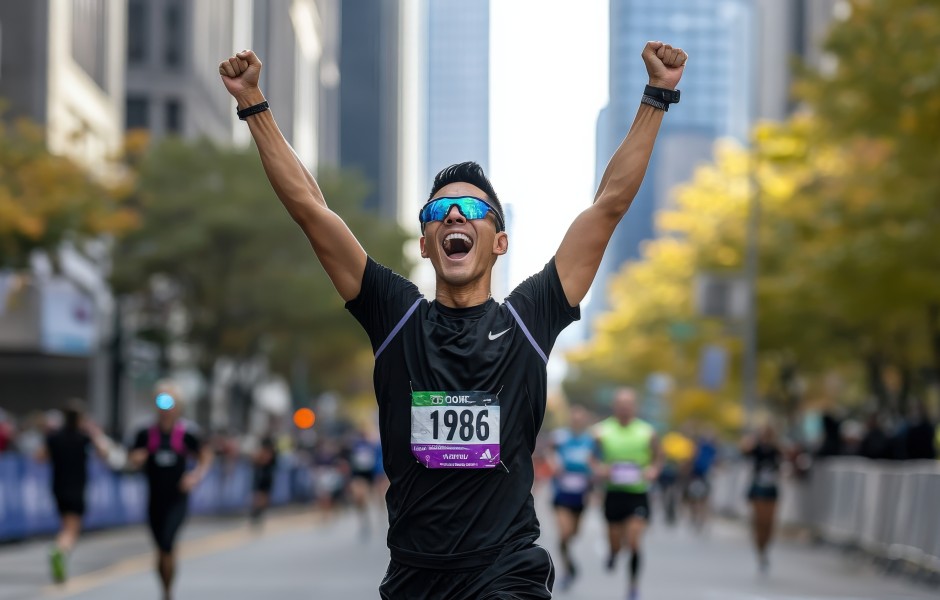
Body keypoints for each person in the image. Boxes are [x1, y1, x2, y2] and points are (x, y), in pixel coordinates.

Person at [219, 39, 687, 599]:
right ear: (425, 241)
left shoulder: (530, 318)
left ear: (500, 241)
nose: (456, 215)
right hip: (415, 575)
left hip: (506, 570)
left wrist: (657, 95)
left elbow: (608, 204)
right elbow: (312, 210)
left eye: (473, 210)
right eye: (440, 210)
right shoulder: (395, 316)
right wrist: (253, 104)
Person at [128, 381, 213, 600]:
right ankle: (164, 588)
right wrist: (137, 459)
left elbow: (205, 455)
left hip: (178, 498)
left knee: (168, 542)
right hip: (155, 499)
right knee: (160, 548)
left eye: (170, 402)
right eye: (161, 402)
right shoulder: (145, 433)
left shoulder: (187, 433)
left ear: (179, 406)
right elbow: (131, 457)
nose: (165, 408)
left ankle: (167, 593)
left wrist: (195, 476)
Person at [36, 399, 112, 583]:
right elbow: (105, 453)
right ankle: (60, 549)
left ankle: (61, 557)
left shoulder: (54, 437)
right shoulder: (83, 437)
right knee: (72, 530)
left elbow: (39, 457)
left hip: (58, 487)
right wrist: (95, 434)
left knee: (65, 524)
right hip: (77, 487)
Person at [595, 388, 661, 600]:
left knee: (633, 541)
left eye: (629, 403)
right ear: (614, 406)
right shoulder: (600, 431)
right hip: (613, 494)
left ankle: (633, 586)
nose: (624, 407)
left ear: (635, 406)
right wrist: (599, 468)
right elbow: (591, 457)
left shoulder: (647, 431)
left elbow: (659, 456)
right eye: (620, 403)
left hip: (637, 493)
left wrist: (654, 469)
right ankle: (614, 553)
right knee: (616, 541)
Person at [547, 405, 597, 590]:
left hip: (581, 494)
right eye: (574, 418)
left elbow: (596, 461)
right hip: (561, 493)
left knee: (574, 534)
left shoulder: (590, 440)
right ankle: (569, 568)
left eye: (580, 419)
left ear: (585, 421)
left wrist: (594, 482)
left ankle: (567, 559)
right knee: (565, 533)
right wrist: (554, 463)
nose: (577, 421)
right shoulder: (560, 436)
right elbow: (550, 451)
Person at [741, 423, 783, 574]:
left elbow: (785, 462)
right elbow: (744, 452)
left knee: (769, 522)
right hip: (758, 487)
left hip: (771, 488)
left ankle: (765, 548)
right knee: (759, 520)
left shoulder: (777, 449)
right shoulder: (756, 448)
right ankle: (759, 550)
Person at [344, 427, 383, 539]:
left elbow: (379, 459)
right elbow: (351, 462)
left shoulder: (375, 446)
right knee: (359, 497)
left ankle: (382, 515)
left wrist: (379, 474)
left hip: (373, 474)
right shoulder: (355, 446)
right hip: (359, 475)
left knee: (379, 496)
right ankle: (364, 521)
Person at [250, 433, 278, 529]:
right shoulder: (262, 452)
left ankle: (259, 513)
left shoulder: (271, 452)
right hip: (260, 475)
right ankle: (256, 513)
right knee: (258, 495)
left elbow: (265, 460)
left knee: (264, 495)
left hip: (266, 475)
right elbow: (255, 461)